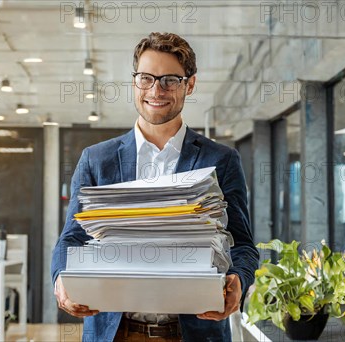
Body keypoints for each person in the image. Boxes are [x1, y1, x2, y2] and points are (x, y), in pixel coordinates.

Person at [51, 32, 260, 341]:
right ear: (135, 81)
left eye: (170, 80)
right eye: (146, 78)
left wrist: (239, 280)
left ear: (190, 84)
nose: (156, 90)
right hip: (115, 332)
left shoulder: (222, 160)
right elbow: (72, 237)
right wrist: (59, 280)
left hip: (194, 332)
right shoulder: (97, 159)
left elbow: (242, 244)